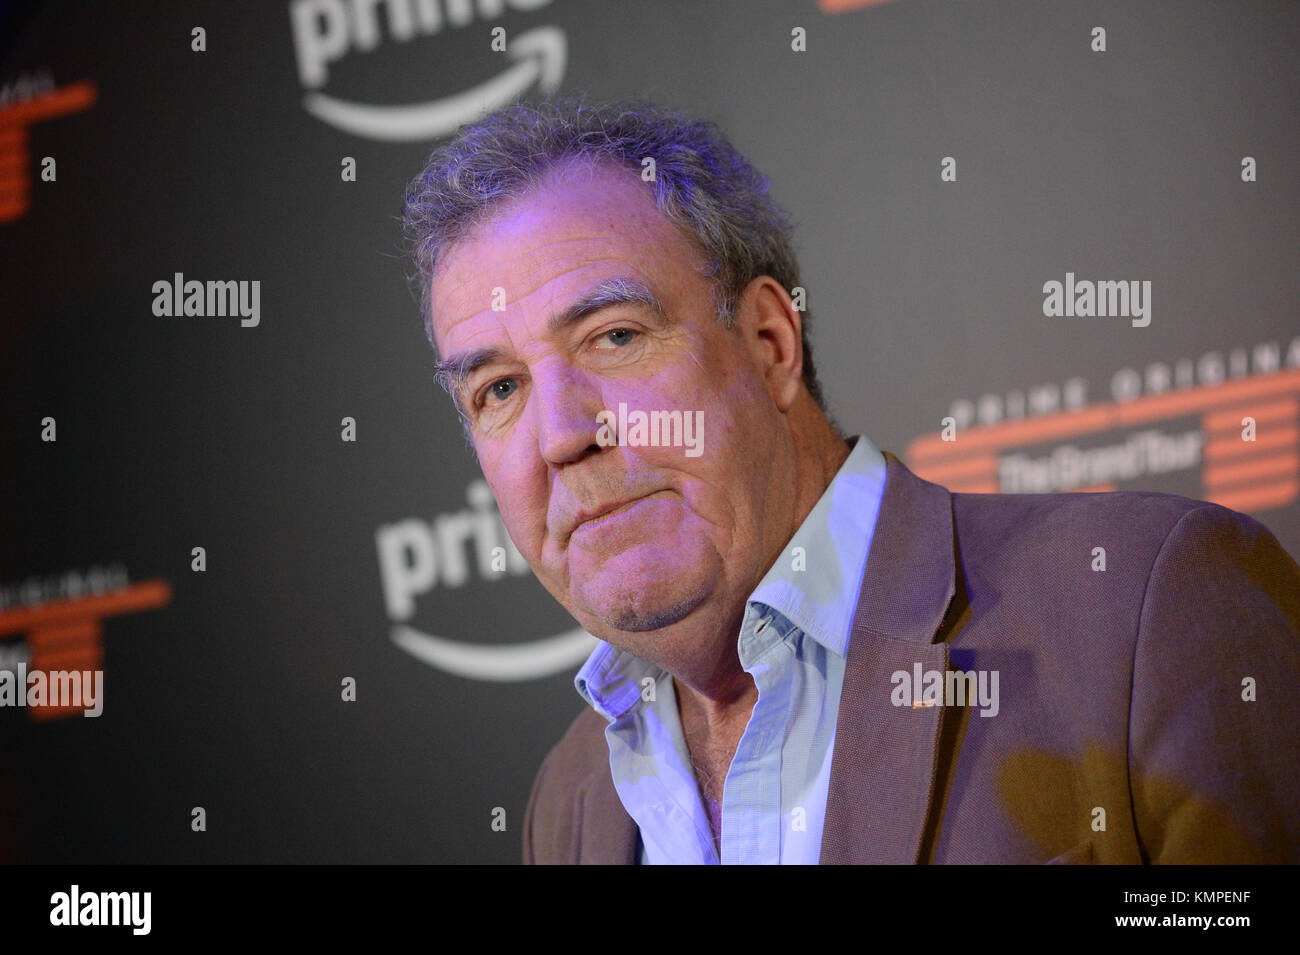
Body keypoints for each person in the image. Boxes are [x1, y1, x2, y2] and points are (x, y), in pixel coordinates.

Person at [401, 95, 1300, 864]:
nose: (561, 436)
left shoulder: (1144, 608)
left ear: (769, 344)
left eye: (616, 337)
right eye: (500, 388)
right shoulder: (571, 797)